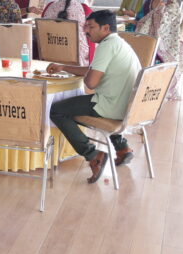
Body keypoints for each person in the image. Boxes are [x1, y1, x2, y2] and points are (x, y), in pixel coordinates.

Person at [48, 10, 140, 182]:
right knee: (74, 104)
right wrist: (63, 67)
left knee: (57, 110)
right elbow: (94, 70)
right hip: (126, 105)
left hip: (111, 105)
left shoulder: (106, 46)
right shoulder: (119, 43)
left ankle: (93, 155)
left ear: (105, 28)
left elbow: (91, 83)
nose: (86, 31)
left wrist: (89, 76)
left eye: (91, 27)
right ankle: (122, 148)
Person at [135, 0, 183, 99]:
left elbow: (164, 22)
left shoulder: (172, 4)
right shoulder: (149, 3)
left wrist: (162, 2)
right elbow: (143, 19)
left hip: (166, 40)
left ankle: (162, 88)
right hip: (149, 37)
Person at [42, 0, 92, 64]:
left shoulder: (51, 6)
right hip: (77, 54)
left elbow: (43, 27)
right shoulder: (82, 8)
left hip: (52, 51)